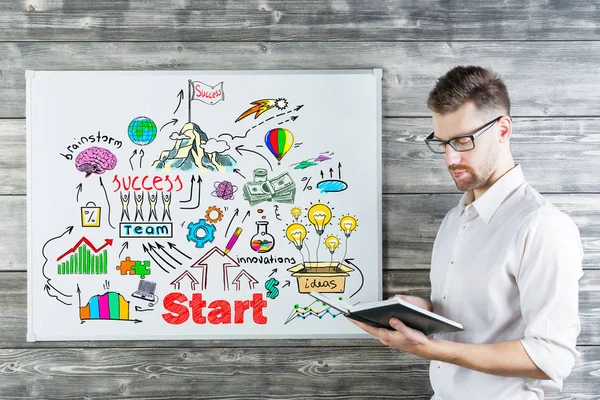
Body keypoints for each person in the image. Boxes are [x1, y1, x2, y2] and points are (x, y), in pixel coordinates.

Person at [349, 65, 583, 399]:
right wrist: (420, 311)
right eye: (442, 143)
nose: (451, 157)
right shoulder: (453, 220)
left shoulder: (542, 225)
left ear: (503, 130)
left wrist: (431, 350)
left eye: (462, 140)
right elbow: (473, 315)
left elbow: (552, 356)